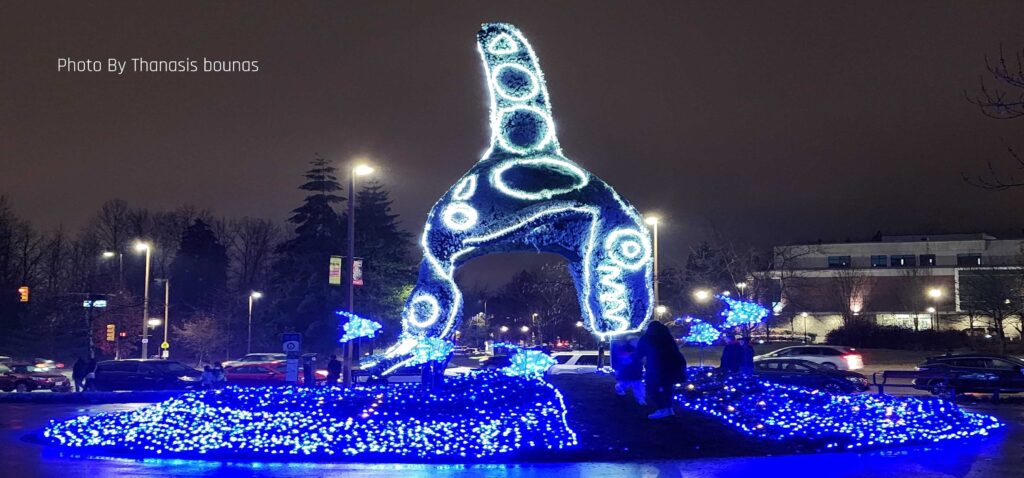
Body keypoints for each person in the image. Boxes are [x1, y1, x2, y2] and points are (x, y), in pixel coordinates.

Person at [633, 321, 686, 419]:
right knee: (667, 388)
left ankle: (662, 409)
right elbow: (675, 351)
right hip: (670, 368)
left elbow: (639, 353)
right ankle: (669, 409)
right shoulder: (667, 337)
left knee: (654, 388)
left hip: (655, 368)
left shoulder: (647, 338)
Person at [610, 336, 645, 405]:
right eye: (635, 341)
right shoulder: (625, 349)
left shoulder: (638, 350)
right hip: (628, 372)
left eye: (637, 341)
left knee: (638, 386)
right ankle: (619, 387)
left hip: (636, 372)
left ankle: (641, 399)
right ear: (631, 341)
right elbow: (624, 361)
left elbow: (640, 360)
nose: (636, 342)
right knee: (625, 384)